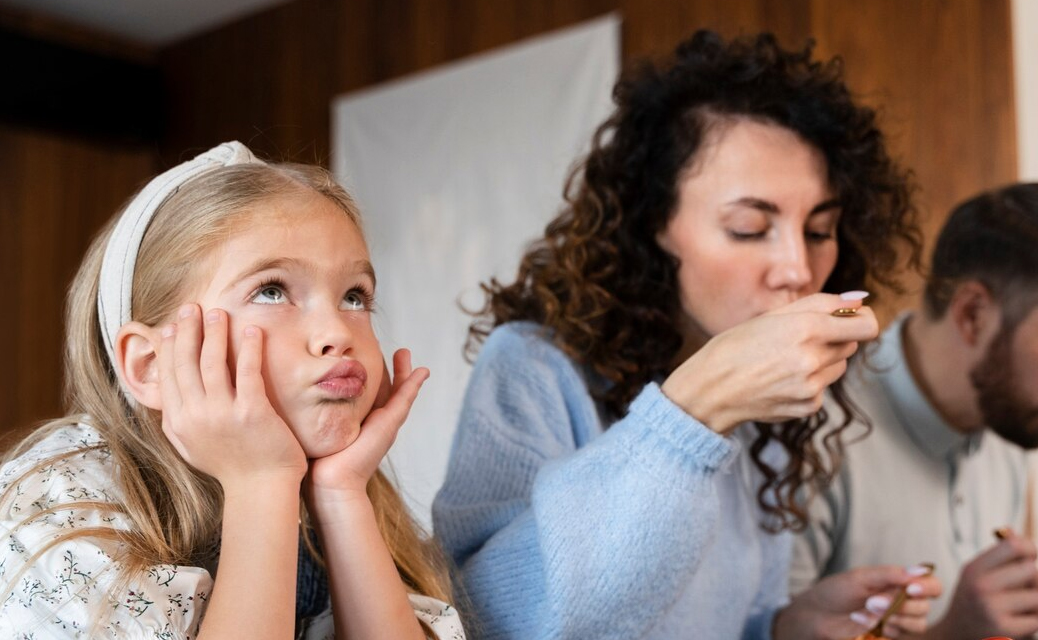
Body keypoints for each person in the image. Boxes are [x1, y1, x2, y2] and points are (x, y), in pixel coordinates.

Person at [431, 31, 940, 640]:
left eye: (820, 229)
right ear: (654, 225)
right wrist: (690, 414)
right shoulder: (534, 368)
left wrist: (783, 626)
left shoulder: (764, 411)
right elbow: (486, 621)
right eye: (750, 228)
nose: (798, 271)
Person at [0, 142, 465, 639]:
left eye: (354, 296)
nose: (338, 331)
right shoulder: (56, 511)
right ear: (151, 364)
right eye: (271, 290)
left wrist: (341, 495)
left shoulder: (339, 492)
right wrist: (260, 484)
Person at [791, 182, 1038, 640]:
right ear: (973, 315)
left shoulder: (1004, 416)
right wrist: (953, 635)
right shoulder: (809, 427)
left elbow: (991, 619)